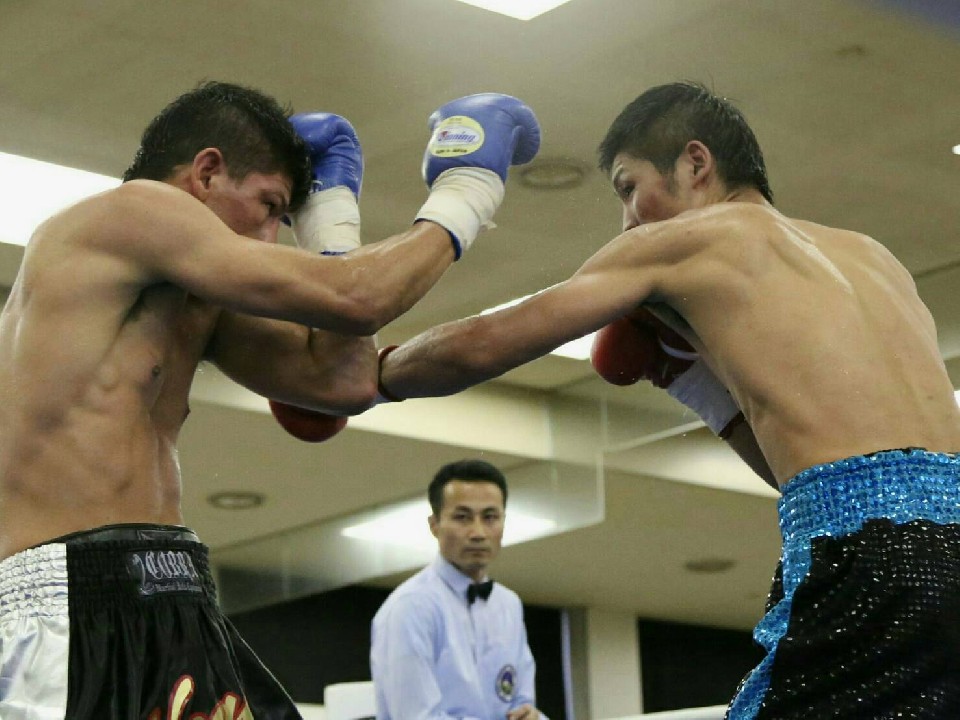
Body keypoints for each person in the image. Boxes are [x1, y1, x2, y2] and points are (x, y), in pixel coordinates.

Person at [373, 81, 960, 718]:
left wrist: (375, 377)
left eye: (629, 187)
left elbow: (487, 343)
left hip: (866, 556)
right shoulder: (876, 258)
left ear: (695, 163)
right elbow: (818, 468)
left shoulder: (687, 241)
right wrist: (688, 380)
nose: (629, 219)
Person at [0, 81, 539, 719]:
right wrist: (467, 188)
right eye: (269, 207)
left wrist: (330, 215)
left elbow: (344, 381)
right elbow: (356, 298)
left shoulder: (194, 303)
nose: (269, 239)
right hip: (68, 603)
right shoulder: (133, 211)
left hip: (175, 594)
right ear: (206, 171)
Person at [370, 459, 546, 720]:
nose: (478, 532)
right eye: (462, 517)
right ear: (434, 525)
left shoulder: (508, 604)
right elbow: (416, 717)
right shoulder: (410, 608)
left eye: (490, 517)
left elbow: (522, 702)